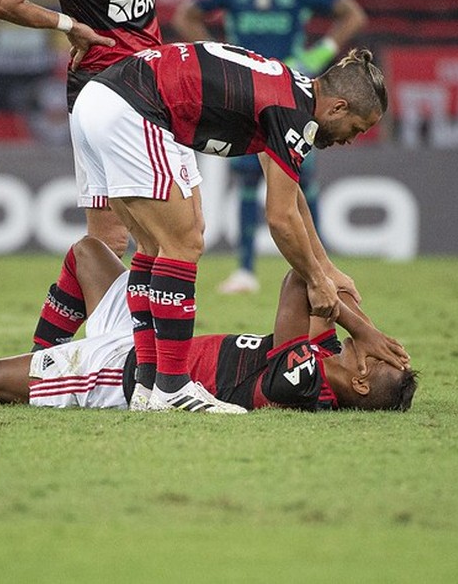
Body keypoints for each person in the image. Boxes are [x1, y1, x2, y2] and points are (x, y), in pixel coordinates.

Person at [69, 41, 387, 412]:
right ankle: (172, 388)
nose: (351, 139)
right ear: (338, 107)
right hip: (132, 107)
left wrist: (326, 269)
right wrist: (316, 281)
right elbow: (280, 219)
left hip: (99, 99)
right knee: (184, 242)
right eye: (357, 128)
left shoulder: (290, 93)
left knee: (153, 245)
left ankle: (147, 383)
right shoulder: (294, 115)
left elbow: (291, 196)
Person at [0, 237, 415, 413]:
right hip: (141, 336)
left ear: (361, 383)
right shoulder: (327, 356)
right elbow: (303, 279)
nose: (377, 351)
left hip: (129, 373)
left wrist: (359, 323)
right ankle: (42, 368)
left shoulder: (305, 383)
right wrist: (350, 315)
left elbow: (298, 288)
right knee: (89, 254)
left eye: (379, 360)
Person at [0, 0, 163, 352]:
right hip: (114, 96)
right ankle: (140, 362)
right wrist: (67, 24)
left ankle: (40, 362)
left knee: (108, 243)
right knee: (169, 240)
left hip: (146, 85)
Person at [172, 0, 367, 294]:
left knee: (302, 179)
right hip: (246, 96)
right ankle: (245, 270)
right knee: (248, 178)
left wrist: (318, 55)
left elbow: (352, 15)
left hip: (293, 94)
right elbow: (187, 16)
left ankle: (321, 267)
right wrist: (218, 58)